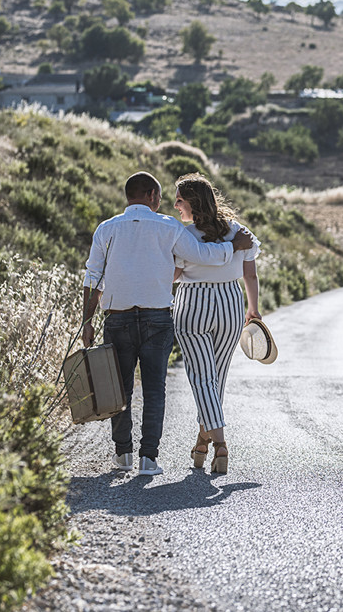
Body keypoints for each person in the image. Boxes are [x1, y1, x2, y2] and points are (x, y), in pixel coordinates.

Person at [82, 172, 254, 476]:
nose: (166, 204)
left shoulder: (106, 228)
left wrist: (87, 321)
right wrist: (233, 247)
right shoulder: (169, 226)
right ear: (151, 196)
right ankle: (149, 458)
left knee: (120, 389)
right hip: (156, 317)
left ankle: (123, 455)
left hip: (117, 317)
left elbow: (93, 277)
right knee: (154, 389)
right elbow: (203, 255)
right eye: (161, 197)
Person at [171, 173, 260, 475]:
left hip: (193, 303)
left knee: (201, 376)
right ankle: (202, 442)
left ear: (193, 202)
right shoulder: (239, 232)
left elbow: (172, 275)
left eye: (179, 200)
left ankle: (219, 444)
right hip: (230, 303)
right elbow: (250, 274)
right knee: (215, 378)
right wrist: (254, 309)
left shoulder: (183, 235)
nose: (175, 205)